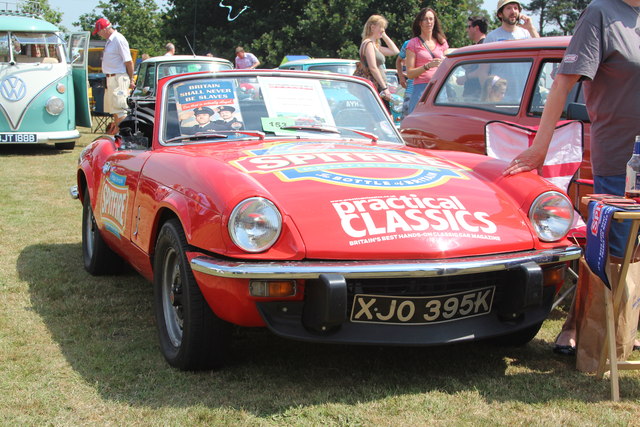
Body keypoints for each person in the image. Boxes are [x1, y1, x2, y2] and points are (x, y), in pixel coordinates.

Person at [503, 0, 640, 355]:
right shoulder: (602, 13)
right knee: (613, 251)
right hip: (621, 161)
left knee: (634, 252)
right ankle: (577, 327)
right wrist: (540, 148)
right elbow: (563, 83)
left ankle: (626, 327)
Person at [93, 18, 134, 133]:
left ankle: (126, 136)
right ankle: (118, 136)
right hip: (111, 78)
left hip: (119, 77)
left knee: (120, 108)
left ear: (104, 29)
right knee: (115, 110)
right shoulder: (110, 41)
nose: (99, 35)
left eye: (99, 32)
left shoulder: (118, 39)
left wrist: (131, 80)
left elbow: (128, 61)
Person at [405, 8, 448, 114]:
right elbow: (410, 73)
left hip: (440, 87)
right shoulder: (413, 43)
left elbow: (447, 64)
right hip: (421, 88)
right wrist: (427, 66)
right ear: (420, 23)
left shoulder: (441, 41)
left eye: (431, 19)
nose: (429, 22)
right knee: (419, 122)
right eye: (425, 19)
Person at [359, 15, 399, 108]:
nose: (383, 30)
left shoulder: (374, 45)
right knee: (383, 118)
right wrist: (385, 88)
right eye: (381, 27)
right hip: (377, 85)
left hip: (379, 85)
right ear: (372, 27)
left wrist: (384, 35)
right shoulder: (368, 44)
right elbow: (373, 68)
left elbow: (395, 51)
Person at [396, 39, 413, 120]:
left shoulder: (438, 42)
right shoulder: (409, 43)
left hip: (432, 90)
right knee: (406, 122)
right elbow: (398, 60)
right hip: (411, 89)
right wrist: (401, 77)